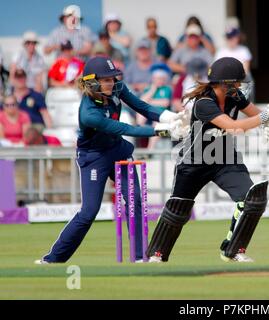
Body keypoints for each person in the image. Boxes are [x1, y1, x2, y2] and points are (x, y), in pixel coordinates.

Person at [34, 56, 188, 264]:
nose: (111, 83)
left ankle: (140, 256)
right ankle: (53, 259)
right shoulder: (89, 113)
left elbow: (141, 106)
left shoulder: (116, 88)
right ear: (91, 81)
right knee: (89, 212)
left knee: (134, 200)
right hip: (94, 157)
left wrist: (170, 117)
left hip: (118, 149)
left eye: (112, 78)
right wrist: (162, 132)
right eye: (105, 80)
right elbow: (125, 128)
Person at [144, 57, 269, 263]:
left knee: (252, 200)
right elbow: (232, 126)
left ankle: (233, 250)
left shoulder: (235, 96)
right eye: (236, 82)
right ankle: (156, 254)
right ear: (223, 83)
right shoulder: (204, 103)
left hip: (225, 159)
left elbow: (256, 116)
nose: (239, 86)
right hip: (194, 162)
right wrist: (266, 117)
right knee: (178, 210)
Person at [214, 26, 254, 101]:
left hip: (242, 80)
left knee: (248, 80)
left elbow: (246, 69)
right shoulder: (220, 52)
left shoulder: (244, 50)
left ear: (238, 38)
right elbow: (217, 70)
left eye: (233, 38)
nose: (231, 40)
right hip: (225, 82)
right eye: (229, 38)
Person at [138, 66, 173, 149]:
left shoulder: (167, 89)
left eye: (162, 78)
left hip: (162, 115)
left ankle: (150, 150)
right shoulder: (149, 88)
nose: (160, 80)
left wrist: (149, 102)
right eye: (157, 78)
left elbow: (165, 103)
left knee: (157, 124)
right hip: (149, 114)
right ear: (153, 79)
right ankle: (140, 126)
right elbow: (141, 101)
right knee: (139, 112)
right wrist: (153, 89)